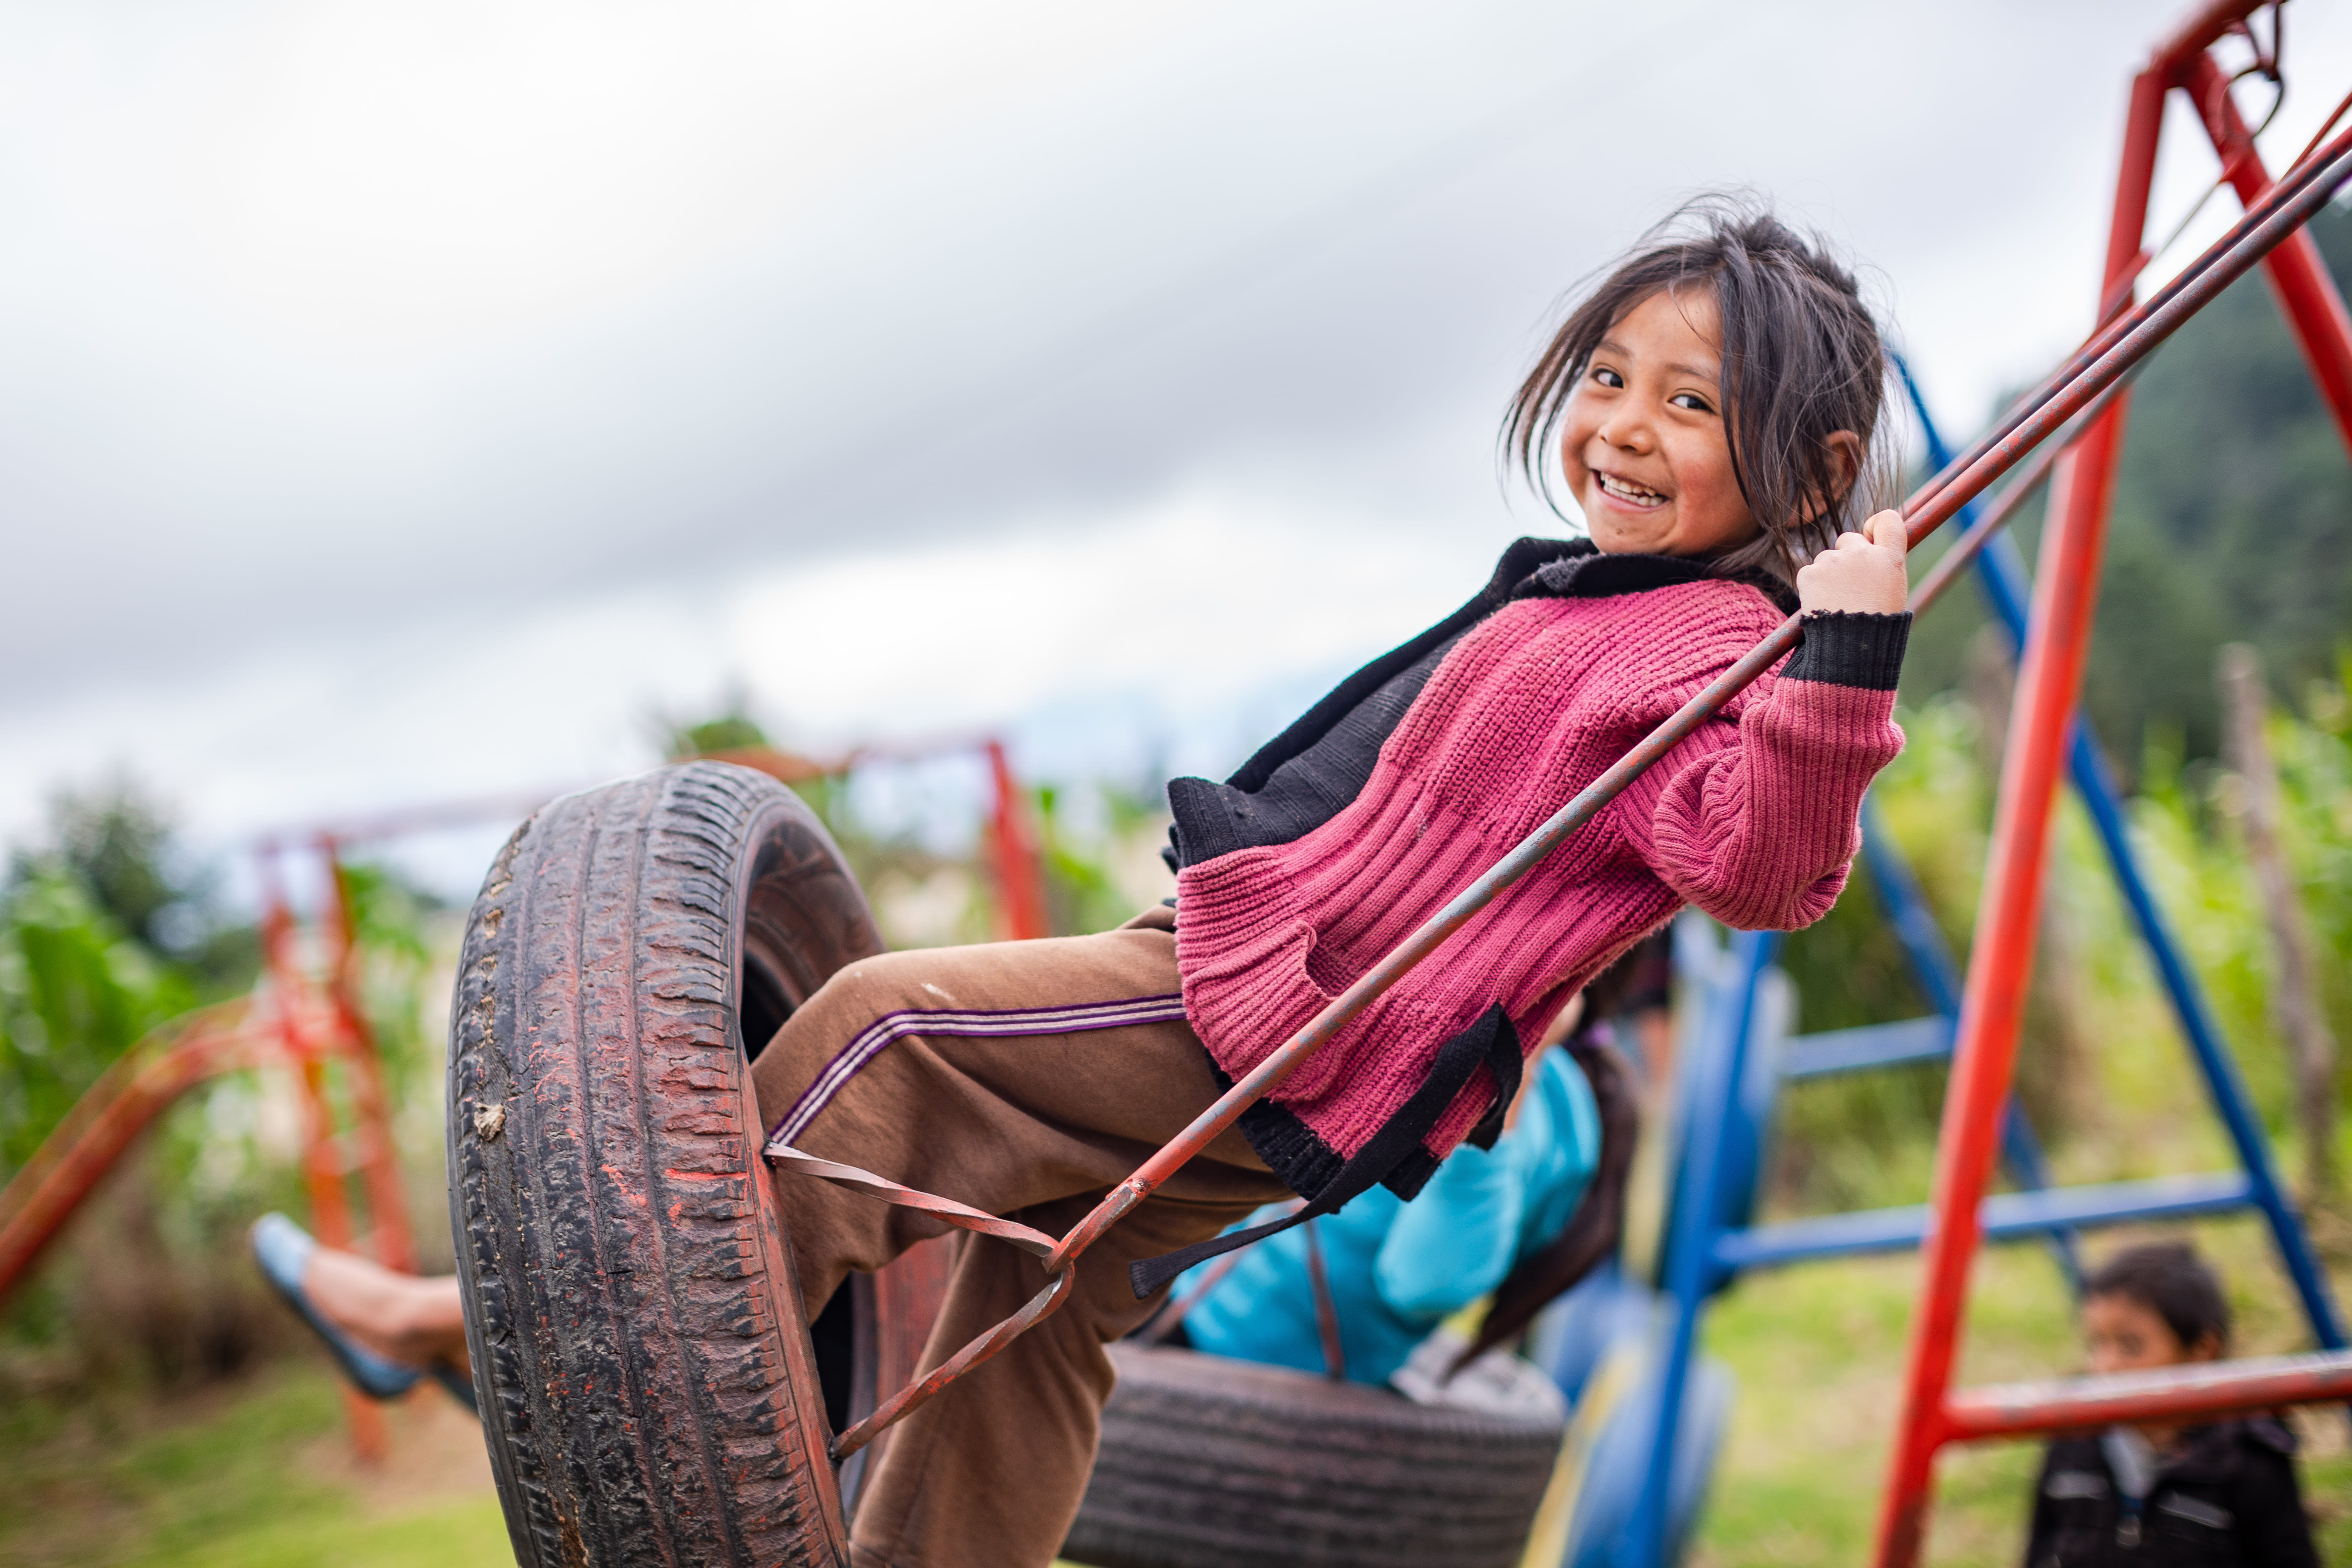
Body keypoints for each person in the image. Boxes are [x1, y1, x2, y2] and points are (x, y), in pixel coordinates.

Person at [745, 194, 1915, 1568]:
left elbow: (1762, 866)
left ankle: (651, 1345)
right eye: (1607, 376)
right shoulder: (1600, 597)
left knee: (885, 1036)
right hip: (1278, 979)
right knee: (1040, 1296)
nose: (1622, 425)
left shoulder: (1716, 649)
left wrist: (1843, 659)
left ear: (1816, 471)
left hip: (1293, 1019)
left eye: (1690, 403)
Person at [1164, 944, 1650, 1393]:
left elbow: (1427, 1282)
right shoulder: (1435, 1009)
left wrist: (1522, 1055)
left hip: (1258, 1373)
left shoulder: (1542, 1106)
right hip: (1214, 1321)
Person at [2022, 1241, 2320, 1568]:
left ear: (2202, 1350)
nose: (2104, 1365)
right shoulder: (2072, 1438)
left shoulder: (2248, 1457)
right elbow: (2039, 1549)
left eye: (2130, 1345)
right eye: (2096, 1342)